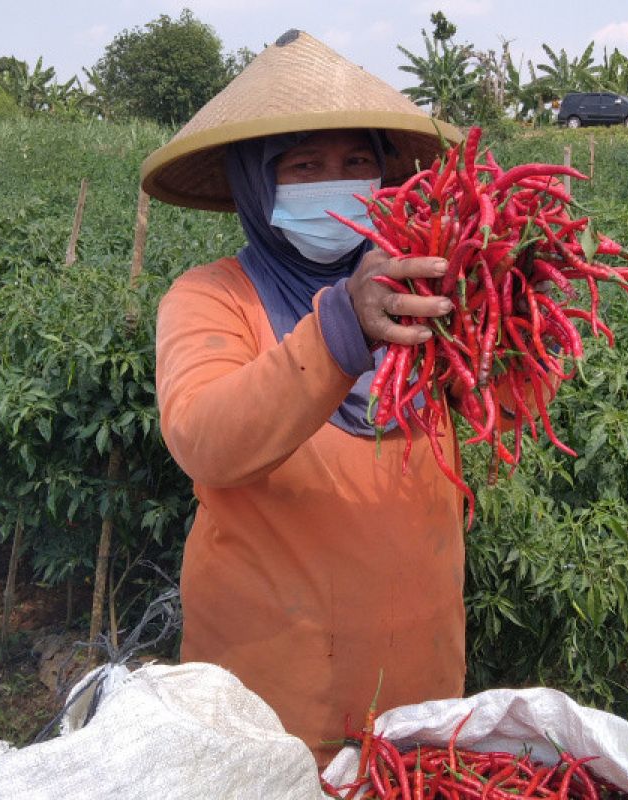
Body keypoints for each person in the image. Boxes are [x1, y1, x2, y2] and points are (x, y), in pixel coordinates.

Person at [140, 29, 467, 767]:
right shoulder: (213, 297)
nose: (337, 179)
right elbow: (205, 437)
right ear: (258, 183)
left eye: (357, 161)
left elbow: (489, 422)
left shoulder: (419, 289)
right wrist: (339, 330)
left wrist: (508, 326)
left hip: (423, 686)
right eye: (305, 165)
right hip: (270, 703)